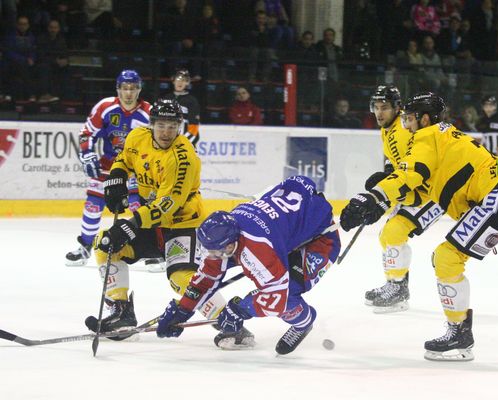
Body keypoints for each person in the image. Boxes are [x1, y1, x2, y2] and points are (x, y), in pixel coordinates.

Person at [340, 92, 498, 361]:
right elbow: (422, 191)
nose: (406, 125)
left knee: (446, 257)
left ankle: (459, 335)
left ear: (424, 118)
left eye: (409, 119)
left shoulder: (426, 136)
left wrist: (370, 198)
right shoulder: (448, 136)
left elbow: (409, 175)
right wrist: (384, 199)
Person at [85, 98, 227, 336]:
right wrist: (116, 177)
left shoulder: (184, 157)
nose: (166, 131)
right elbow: (124, 159)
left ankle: (228, 321)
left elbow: (167, 205)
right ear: (151, 124)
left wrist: (130, 224)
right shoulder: (137, 137)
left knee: (182, 278)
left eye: (172, 126)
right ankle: (121, 313)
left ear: (179, 127)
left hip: (181, 224)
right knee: (106, 244)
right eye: (161, 125)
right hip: (150, 221)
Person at [155, 175, 341, 355]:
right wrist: (184, 309)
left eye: (217, 252)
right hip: (282, 235)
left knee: (288, 296)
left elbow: (276, 298)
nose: (213, 257)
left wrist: (240, 310)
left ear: (231, 244)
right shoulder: (224, 236)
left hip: (319, 240)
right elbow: (207, 277)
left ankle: (303, 322)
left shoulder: (257, 249)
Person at [362, 85, 444, 313]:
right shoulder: (387, 129)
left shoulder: (405, 128)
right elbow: (394, 162)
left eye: (385, 108)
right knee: (385, 236)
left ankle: (397, 289)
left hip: (433, 192)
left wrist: (387, 193)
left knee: (393, 232)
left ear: (397, 108)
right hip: (414, 188)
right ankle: (395, 286)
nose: (379, 113)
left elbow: (421, 162)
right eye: (376, 108)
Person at [65, 69, 150, 267]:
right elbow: (87, 133)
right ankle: (85, 246)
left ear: (139, 90)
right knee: (93, 205)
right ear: (118, 89)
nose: (128, 93)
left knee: (140, 207)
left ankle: (148, 250)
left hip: (135, 168)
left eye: (133, 88)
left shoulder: (148, 112)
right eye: (124, 88)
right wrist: (86, 153)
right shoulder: (105, 107)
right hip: (108, 165)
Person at [163, 69, 201, 147]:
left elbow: (194, 127)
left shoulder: (192, 100)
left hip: (184, 142)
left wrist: (181, 143)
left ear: (187, 83)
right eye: (178, 80)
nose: (180, 82)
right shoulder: (166, 98)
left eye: (183, 80)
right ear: (173, 81)